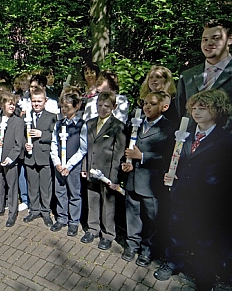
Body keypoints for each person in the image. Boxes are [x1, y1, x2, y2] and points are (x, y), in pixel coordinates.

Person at [154, 89, 232, 290]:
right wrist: (170, 173)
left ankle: (205, 276)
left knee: (204, 240)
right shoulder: (185, 133)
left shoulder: (224, 140)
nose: (196, 112)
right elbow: (173, 158)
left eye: (203, 108)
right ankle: (173, 262)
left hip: (207, 201)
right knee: (176, 230)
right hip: (181, 193)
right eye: (194, 108)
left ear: (216, 110)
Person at [121, 91, 175, 267]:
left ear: (164, 107)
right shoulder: (136, 124)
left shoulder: (169, 128)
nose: (147, 107)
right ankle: (131, 245)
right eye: (145, 103)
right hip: (133, 178)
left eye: (152, 104)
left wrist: (142, 156)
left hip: (151, 183)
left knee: (152, 218)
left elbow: (167, 158)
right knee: (132, 215)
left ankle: (147, 250)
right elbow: (128, 148)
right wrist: (128, 162)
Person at [81, 91, 126, 250]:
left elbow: (118, 153)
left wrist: (113, 177)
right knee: (92, 200)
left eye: (107, 106)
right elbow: (87, 148)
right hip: (91, 169)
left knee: (108, 204)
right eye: (100, 105)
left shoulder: (118, 127)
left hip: (107, 172)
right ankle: (93, 228)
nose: (102, 109)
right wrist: (84, 167)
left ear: (114, 107)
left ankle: (108, 234)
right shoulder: (90, 123)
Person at [176, 19, 232, 132]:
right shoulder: (187, 76)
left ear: (230, 40)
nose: (209, 43)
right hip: (190, 145)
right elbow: (180, 114)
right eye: (205, 39)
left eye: (216, 38)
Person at [50, 93, 87, 236]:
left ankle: (73, 221)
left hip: (73, 165)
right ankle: (62, 217)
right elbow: (54, 144)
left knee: (74, 194)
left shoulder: (81, 125)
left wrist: (69, 165)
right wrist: (57, 163)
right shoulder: (59, 124)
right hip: (59, 165)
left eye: (67, 106)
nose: (63, 109)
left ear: (76, 106)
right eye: (62, 106)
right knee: (60, 192)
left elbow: (83, 148)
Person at [0, 93, 25, 227]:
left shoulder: (18, 121)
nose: (11, 106)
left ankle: (12, 213)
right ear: (3, 105)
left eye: (13, 104)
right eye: (9, 103)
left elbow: (18, 144)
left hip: (10, 160)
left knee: (12, 187)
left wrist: (10, 159)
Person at [22, 87, 57, 227]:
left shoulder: (51, 117)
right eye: (34, 101)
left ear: (45, 101)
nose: (36, 104)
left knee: (45, 186)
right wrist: (25, 144)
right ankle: (34, 209)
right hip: (30, 157)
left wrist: (42, 134)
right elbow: (20, 136)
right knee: (32, 185)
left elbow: (55, 136)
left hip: (44, 157)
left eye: (39, 101)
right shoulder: (26, 116)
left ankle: (46, 211)